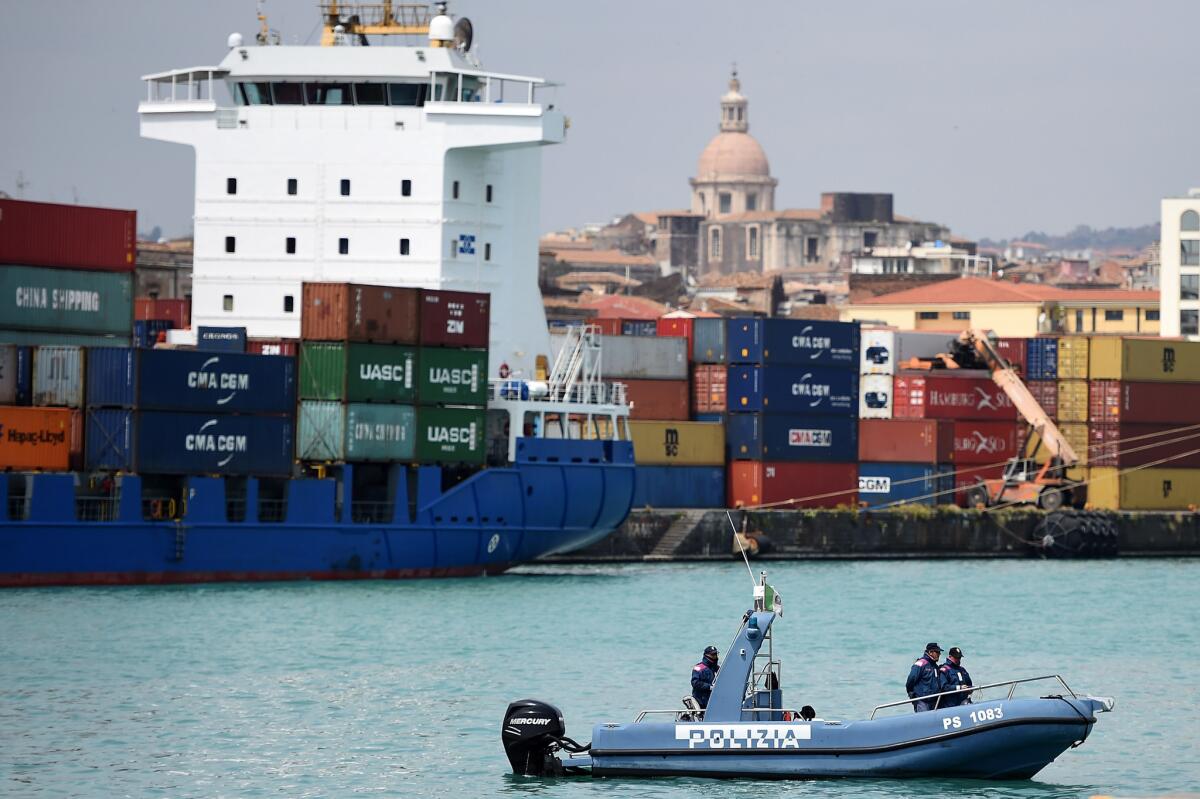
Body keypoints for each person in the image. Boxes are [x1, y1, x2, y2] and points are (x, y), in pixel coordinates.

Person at [906, 642, 945, 712]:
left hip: (934, 701)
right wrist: (912, 694)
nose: (939, 654)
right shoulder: (921, 664)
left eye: (939, 652)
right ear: (930, 652)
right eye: (937, 652)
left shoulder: (935, 666)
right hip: (922, 701)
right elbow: (911, 680)